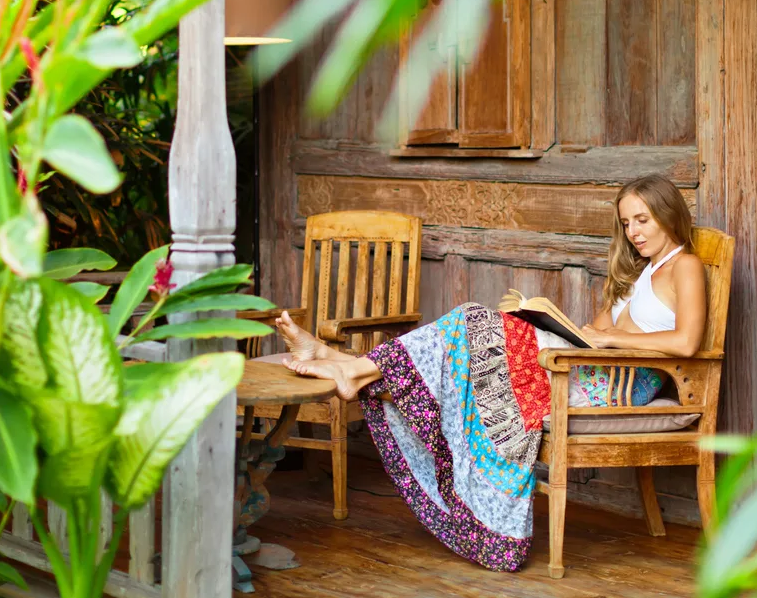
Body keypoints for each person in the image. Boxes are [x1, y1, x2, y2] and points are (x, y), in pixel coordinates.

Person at [275, 174, 707, 572]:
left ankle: (348, 364)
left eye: (642, 220)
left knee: (470, 319)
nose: (634, 231)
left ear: (668, 214)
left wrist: (613, 341)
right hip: (594, 366)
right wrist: (583, 331)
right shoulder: (641, 270)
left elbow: (688, 342)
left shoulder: (684, 265)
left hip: (621, 384)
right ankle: (345, 363)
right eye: (627, 222)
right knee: (471, 326)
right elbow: (595, 332)